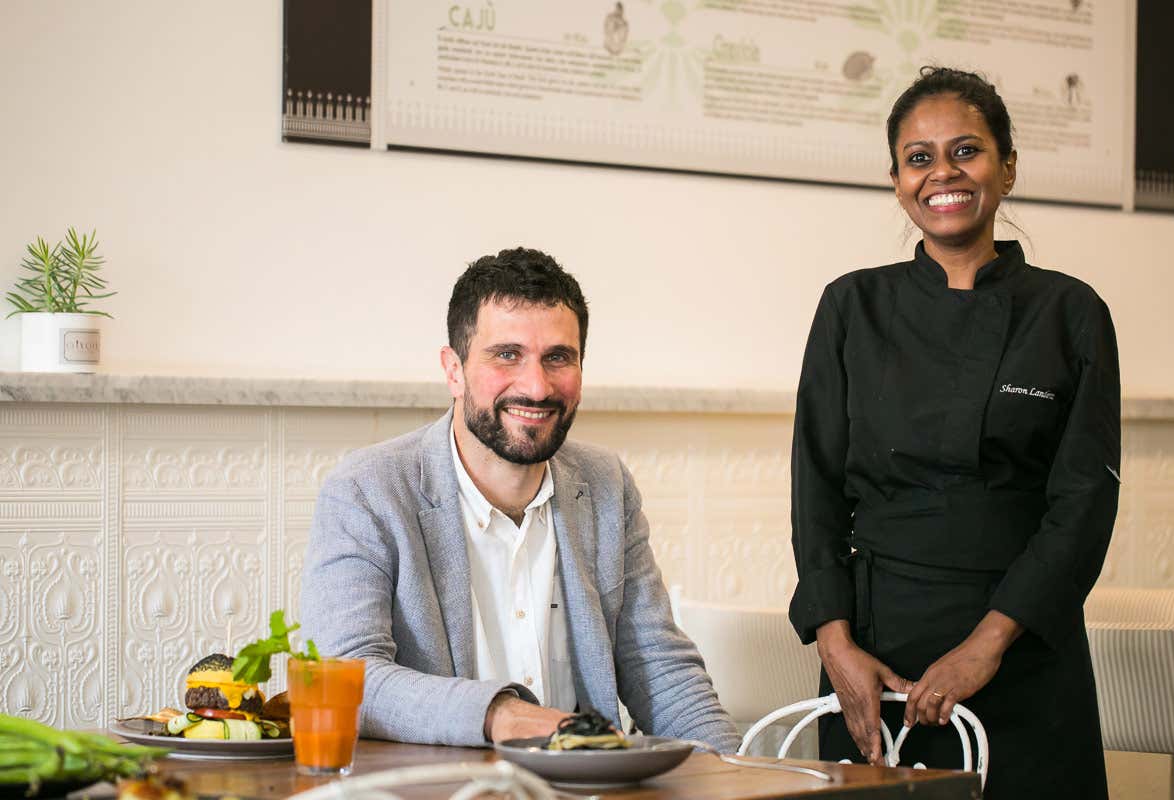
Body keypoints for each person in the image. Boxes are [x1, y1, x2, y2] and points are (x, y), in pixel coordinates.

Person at [788, 67, 1119, 798]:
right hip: (874, 658)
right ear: (897, 181)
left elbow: (1083, 504)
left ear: (1007, 167)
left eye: (966, 151)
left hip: (1024, 651)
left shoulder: (1070, 314)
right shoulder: (850, 307)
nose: (943, 172)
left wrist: (987, 645)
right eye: (919, 157)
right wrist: (835, 644)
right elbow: (815, 491)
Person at [300, 247, 740, 752]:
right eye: (507, 354)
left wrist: (737, 773)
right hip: (440, 786)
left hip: (586, 785)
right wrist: (501, 714)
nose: (536, 386)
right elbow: (344, 678)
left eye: (558, 357)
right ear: (454, 370)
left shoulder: (606, 484)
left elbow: (660, 669)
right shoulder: (366, 491)